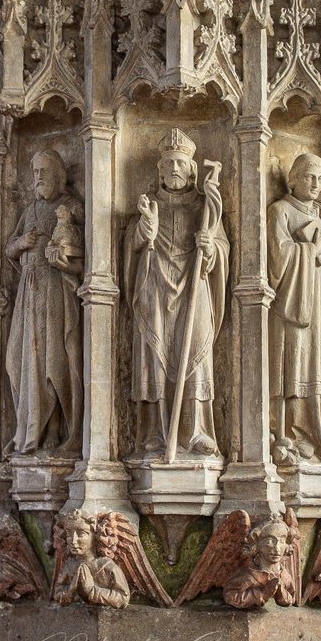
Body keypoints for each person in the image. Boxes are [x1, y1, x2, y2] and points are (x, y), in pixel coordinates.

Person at [124, 129, 228, 457]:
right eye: (168, 163)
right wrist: (144, 231)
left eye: (181, 163)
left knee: (196, 353)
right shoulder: (150, 205)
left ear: (193, 170)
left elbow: (222, 250)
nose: (174, 169)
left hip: (194, 288)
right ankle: (154, 432)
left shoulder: (205, 208)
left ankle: (195, 431)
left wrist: (210, 248)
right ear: (159, 171)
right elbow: (131, 247)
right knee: (153, 359)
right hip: (154, 288)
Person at [267, 151, 321, 467]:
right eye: (309, 176)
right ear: (293, 179)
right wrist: (310, 251)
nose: (315, 183)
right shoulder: (281, 211)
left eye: (320, 178)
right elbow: (277, 259)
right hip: (293, 306)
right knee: (296, 365)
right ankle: (292, 434)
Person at [5, 148, 84, 455]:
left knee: (54, 360)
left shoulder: (71, 206)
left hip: (55, 293)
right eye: (35, 172)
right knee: (21, 361)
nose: (38, 178)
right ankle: (28, 430)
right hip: (29, 293)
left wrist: (62, 258)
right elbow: (11, 246)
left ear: (58, 175)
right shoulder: (30, 210)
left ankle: (55, 429)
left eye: (44, 172)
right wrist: (22, 243)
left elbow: (83, 256)